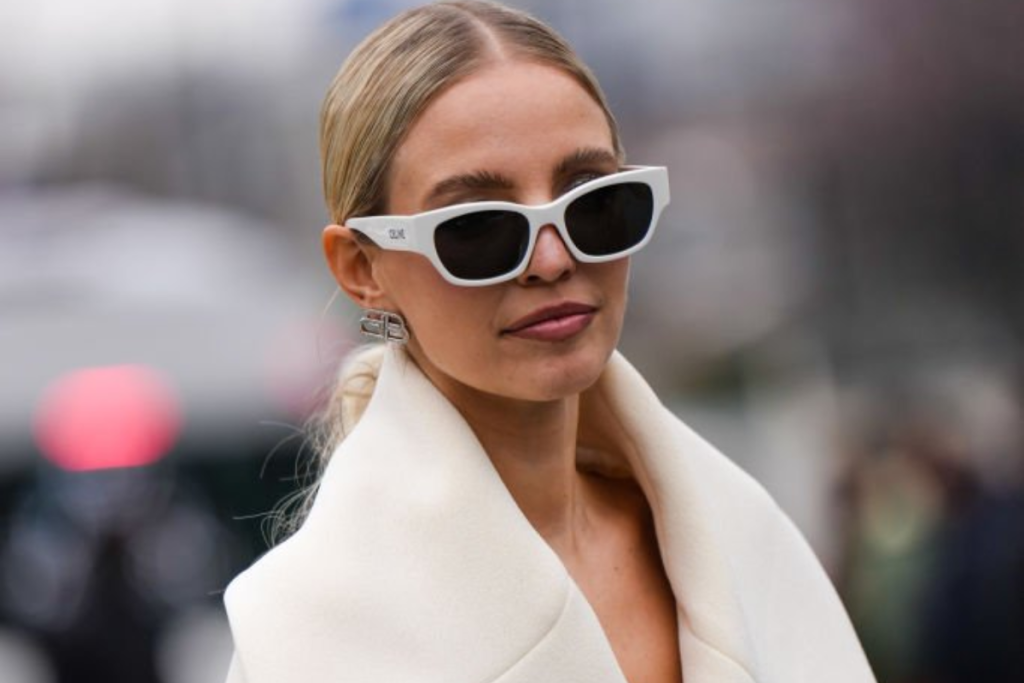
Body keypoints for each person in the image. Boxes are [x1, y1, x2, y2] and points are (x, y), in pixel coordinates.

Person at [222, 2, 876, 682]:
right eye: (477, 227)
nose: (554, 259)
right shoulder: (304, 637)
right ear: (363, 269)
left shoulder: (748, 541)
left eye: (595, 204)